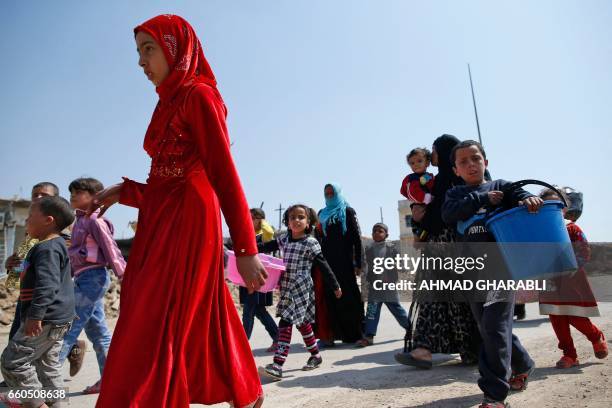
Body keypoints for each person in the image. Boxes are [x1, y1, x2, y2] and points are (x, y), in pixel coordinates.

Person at [90, 15, 267, 407]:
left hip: (188, 221)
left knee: (157, 313)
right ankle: (244, 389)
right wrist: (128, 191)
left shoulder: (198, 96)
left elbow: (223, 175)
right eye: (138, 51)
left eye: (148, 49)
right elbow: (164, 182)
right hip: (161, 220)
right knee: (193, 309)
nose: (141, 61)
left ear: (175, 48)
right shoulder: (166, 103)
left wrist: (246, 249)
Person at [442, 140, 539, 408]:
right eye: (464, 161)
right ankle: (524, 364)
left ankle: (495, 395)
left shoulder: (502, 187)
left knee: (495, 327)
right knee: (488, 327)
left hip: (500, 270)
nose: (471, 164)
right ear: (456, 170)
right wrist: (482, 199)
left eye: (476, 158)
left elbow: (520, 194)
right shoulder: (456, 194)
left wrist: (526, 198)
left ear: (486, 161)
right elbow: (449, 215)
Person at [395, 134, 480, 369]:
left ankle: (470, 350)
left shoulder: (453, 178)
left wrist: (422, 222)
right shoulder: (438, 179)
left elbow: (442, 213)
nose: (430, 155)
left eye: (434, 150)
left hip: (453, 246)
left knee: (453, 300)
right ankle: (423, 350)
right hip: (439, 246)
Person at [0, 196, 76, 408]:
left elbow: (47, 284)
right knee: (47, 368)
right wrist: (12, 265)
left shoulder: (47, 248)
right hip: (59, 318)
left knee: (13, 363)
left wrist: (36, 315)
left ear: (48, 220)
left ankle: (37, 405)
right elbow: (25, 276)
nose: (26, 221)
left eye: (30, 216)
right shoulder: (51, 245)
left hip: (45, 317)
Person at [53, 178, 126, 394]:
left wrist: (123, 274)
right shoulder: (78, 222)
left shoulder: (95, 220)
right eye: (72, 192)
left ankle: (44, 383)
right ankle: (110, 381)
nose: (73, 196)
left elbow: (110, 248)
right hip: (84, 279)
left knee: (67, 328)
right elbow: (75, 256)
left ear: (95, 196)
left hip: (94, 278)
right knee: (98, 333)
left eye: (78, 192)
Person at [258, 205, 342, 380]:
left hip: (302, 288)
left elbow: (323, 265)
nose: (296, 220)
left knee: (285, 322)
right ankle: (316, 356)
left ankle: (278, 364)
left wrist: (335, 286)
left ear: (308, 222)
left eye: (301, 217)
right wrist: (250, 247)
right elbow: (267, 246)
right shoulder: (284, 239)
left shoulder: (311, 243)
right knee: (302, 323)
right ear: (287, 222)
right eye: (292, 217)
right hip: (287, 286)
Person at [538, 188, 607, 368]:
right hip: (549, 282)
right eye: (546, 206)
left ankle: (596, 336)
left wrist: (572, 266)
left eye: (556, 205)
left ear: (565, 208)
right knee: (557, 319)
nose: (551, 210)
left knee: (575, 315)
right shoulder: (538, 232)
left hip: (571, 280)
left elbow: (584, 250)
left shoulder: (571, 228)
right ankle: (569, 355)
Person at [315, 183, 364, 345]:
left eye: (331, 193)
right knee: (329, 297)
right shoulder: (321, 214)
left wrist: (359, 262)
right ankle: (332, 334)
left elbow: (357, 239)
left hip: (345, 261)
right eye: (326, 193)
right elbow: (317, 237)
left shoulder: (348, 212)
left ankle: (355, 333)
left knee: (348, 296)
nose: (329, 195)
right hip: (326, 262)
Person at [357, 223, 410, 347]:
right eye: (374, 231)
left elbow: (400, 263)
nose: (376, 233)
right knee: (371, 311)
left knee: (397, 310)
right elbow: (366, 265)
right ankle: (369, 337)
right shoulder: (369, 248)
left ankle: (411, 330)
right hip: (375, 286)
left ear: (386, 234)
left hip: (389, 286)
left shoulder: (391, 248)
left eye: (380, 231)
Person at [240, 208, 279, 352]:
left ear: (259, 219)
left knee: (248, 311)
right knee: (258, 310)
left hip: (259, 279)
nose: (248, 220)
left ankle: (242, 345)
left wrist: (262, 221)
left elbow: (269, 233)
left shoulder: (264, 235)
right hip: (247, 278)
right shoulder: (249, 235)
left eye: (252, 218)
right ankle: (277, 337)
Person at [400, 147, 435, 241]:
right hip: (419, 205)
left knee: (429, 224)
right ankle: (419, 239)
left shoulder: (429, 176)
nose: (416, 165)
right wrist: (425, 198)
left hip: (430, 205)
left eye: (419, 161)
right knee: (420, 225)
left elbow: (433, 187)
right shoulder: (411, 178)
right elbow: (410, 192)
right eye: (412, 163)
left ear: (427, 163)